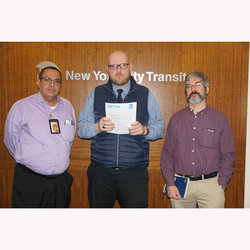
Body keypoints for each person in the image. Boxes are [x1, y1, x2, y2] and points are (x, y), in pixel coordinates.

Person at [78, 50, 164, 208]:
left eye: (122, 65)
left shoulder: (145, 94)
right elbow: (82, 128)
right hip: (100, 173)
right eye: (113, 66)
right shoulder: (95, 94)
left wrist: (145, 130)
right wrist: (97, 127)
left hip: (134, 173)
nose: (118, 70)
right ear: (107, 70)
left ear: (130, 67)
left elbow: (159, 127)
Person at [161, 72, 236, 208]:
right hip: (180, 186)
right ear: (185, 91)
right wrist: (170, 183)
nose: (193, 89)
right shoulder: (176, 119)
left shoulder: (220, 119)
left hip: (211, 186)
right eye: (189, 86)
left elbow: (228, 154)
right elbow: (167, 154)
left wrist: (222, 183)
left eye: (197, 85)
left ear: (207, 89)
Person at [4, 66, 76, 208]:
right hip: (30, 182)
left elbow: (69, 140)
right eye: (47, 79)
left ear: (61, 85)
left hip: (60, 183)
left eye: (56, 81)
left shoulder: (68, 106)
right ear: (38, 82)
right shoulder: (21, 107)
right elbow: (10, 140)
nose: (52, 84)